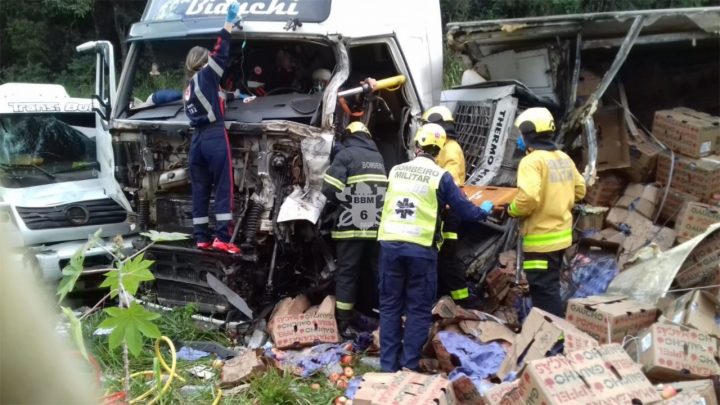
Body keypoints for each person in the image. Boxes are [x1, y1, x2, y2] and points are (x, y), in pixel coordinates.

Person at [376, 123, 494, 372]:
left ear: (417, 145)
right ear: (439, 151)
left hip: (390, 247)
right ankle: (408, 365)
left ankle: (387, 366)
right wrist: (482, 212)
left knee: (390, 306)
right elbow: (464, 210)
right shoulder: (441, 177)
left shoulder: (396, 171)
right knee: (418, 309)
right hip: (420, 250)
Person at [507, 107, 586, 317]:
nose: (519, 140)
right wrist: (559, 198)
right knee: (550, 286)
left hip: (541, 239)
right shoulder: (563, 157)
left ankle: (554, 340)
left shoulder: (531, 162)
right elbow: (580, 189)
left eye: (521, 135)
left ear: (529, 134)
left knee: (543, 291)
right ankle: (550, 335)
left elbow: (529, 198)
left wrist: (512, 210)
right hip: (561, 237)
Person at [183, 1, 241, 254]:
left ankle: (201, 237)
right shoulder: (207, 74)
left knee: (200, 190)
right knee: (223, 187)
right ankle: (222, 238)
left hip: (196, 141)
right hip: (214, 137)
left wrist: (236, 96)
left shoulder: (190, 84)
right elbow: (221, 50)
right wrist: (229, 21)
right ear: (204, 60)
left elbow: (216, 96)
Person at [321, 121, 387, 336]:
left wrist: (343, 201)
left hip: (352, 226)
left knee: (347, 273)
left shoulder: (346, 155)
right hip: (376, 227)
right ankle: (380, 316)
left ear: (348, 136)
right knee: (375, 272)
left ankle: (343, 323)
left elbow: (330, 189)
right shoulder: (378, 158)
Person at [421, 105, 480, 309]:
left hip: (447, 212)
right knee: (441, 257)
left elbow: (450, 182)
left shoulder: (450, 148)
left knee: (447, 256)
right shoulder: (444, 147)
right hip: (442, 211)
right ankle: (447, 297)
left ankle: (462, 301)